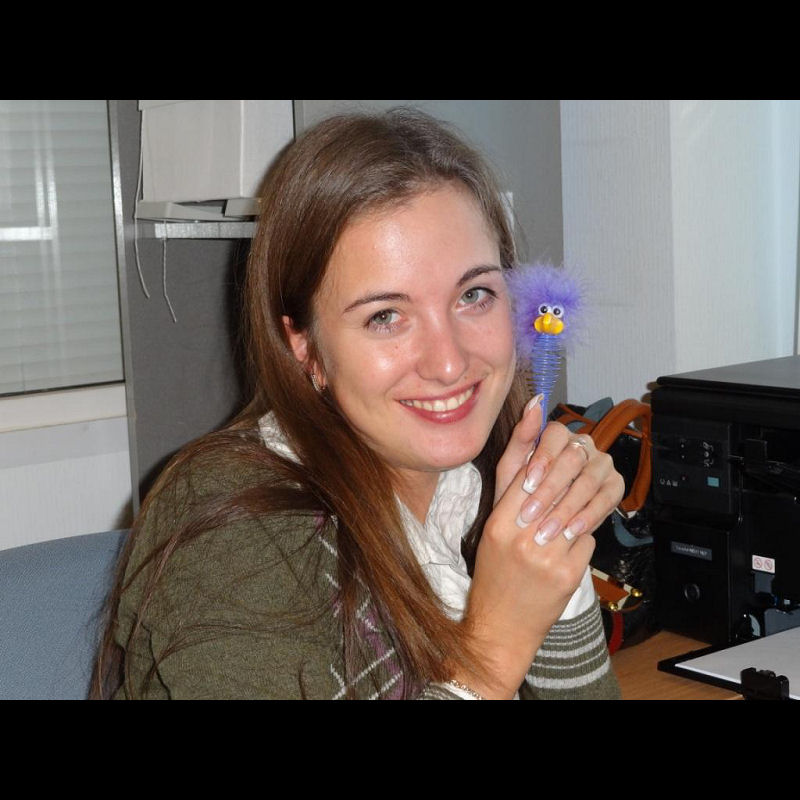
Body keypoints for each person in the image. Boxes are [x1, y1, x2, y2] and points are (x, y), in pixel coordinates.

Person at [92, 108, 625, 700]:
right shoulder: (227, 521)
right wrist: (499, 640)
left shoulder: (476, 484)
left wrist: (549, 542)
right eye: (385, 316)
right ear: (305, 348)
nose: (449, 363)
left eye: (474, 294)